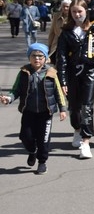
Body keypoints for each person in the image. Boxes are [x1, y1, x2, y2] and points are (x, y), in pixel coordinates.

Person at [0, 43, 67, 174]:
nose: (37, 59)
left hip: (45, 112)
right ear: (29, 57)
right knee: (25, 136)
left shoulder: (51, 73)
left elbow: (58, 91)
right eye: (34, 56)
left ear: (46, 58)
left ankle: (42, 162)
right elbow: (16, 90)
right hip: (28, 111)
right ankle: (32, 151)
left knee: (44, 139)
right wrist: (8, 98)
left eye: (40, 56)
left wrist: (63, 108)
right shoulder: (24, 72)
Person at [56, 0, 94, 160]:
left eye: (80, 11)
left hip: (90, 72)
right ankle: (77, 129)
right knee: (74, 107)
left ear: (86, 12)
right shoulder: (66, 32)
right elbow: (61, 58)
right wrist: (62, 81)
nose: (77, 14)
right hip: (72, 73)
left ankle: (86, 142)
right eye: (74, 11)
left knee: (87, 106)